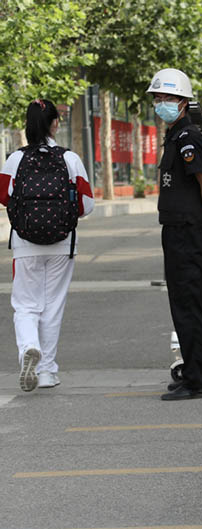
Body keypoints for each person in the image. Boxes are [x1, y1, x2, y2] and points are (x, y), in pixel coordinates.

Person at [0, 99, 94, 392]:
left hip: (25, 244)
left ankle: (29, 347)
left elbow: (4, 197)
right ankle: (47, 373)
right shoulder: (70, 159)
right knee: (53, 306)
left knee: (26, 305)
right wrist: (62, 217)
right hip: (62, 244)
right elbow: (87, 204)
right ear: (55, 124)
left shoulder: (15, 160)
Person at [146, 68, 202, 401]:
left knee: (191, 305)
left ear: (183, 101)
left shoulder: (189, 137)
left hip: (190, 231)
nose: (161, 103)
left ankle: (197, 381)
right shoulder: (175, 136)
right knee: (182, 304)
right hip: (177, 230)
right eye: (158, 98)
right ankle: (191, 372)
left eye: (167, 98)